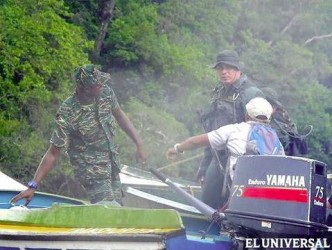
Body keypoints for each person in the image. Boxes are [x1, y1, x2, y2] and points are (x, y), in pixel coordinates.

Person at [11, 65, 147, 206]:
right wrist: (32, 186)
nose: (102, 85)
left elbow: (120, 116)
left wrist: (139, 144)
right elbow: (52, 153)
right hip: (90, 169)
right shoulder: (67, 112)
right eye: (97, 84)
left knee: (116, 205)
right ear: (85, 89)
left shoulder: (106, 93)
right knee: (109, 206)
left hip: (110, 163)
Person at [167, 97, 284, 206]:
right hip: (265, 197)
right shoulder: (275, 139)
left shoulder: (234, 130)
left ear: (247, 114)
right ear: (269, 117)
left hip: (238, 194)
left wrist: (177, 148)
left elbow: (194, 142)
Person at [196, 49, 264, 209]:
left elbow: (262, 131)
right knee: (207, 204)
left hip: (244, 160)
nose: (224, 72)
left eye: (229, 67)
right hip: (218, 156)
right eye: (220, 68)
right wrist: (204, 166)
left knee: (238, 207)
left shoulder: (251, 93)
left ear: (238, 69)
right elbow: (212, 132)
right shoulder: (219, 92)